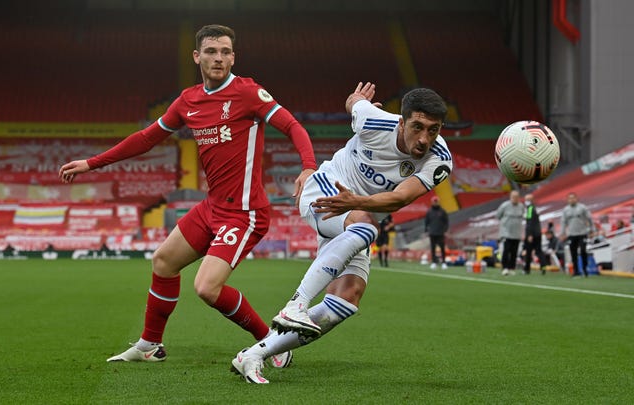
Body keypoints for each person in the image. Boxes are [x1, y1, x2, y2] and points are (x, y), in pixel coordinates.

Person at [58, 24, 317, 365]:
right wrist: (92, 163)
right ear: (197, 57)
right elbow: (146, 138)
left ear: (233, 57)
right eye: (211, 51)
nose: (218, 58)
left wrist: (308, 165)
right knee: (164, 262)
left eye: (225, 52)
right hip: (211, 208)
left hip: (245, 212)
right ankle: (150, 344)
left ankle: (269, 342)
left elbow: (292, 126)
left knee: (206, 288)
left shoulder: (248, 92)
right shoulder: (188, 100)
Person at [230, 82, 453, 383]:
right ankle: (296, 305)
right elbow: (354, 103)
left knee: (346, 301)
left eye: (434, 130)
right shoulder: (374, 121)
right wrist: (357, 99)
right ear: (401, 122)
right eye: (417, 127)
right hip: (324, 191)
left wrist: (356, 202)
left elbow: (401, 198)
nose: (424, 138)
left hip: (355, 216)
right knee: (365, 223)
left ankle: (255, 353)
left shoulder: (439, 158)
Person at [561, 192, 595, 277]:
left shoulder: (582, 208)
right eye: (570, 198)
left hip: (582, 233)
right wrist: (562, 233)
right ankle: (576, 271)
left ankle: (585, 268)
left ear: (577, 198)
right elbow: (563, 222)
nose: (572, 200)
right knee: (573, 253)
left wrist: (591, 230)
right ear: (568, 200)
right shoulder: (565, 210)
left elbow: (589, 218)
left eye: (573, 198)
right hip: (571, 234)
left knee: (583, 250)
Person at [496, 190, 524, 275]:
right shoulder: (505, 206)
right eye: (513, 197)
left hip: (517, 234)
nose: (515, 199)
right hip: (506, 233)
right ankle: (505, 267)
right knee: (506, 250)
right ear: (510, 197)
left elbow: (522, 216)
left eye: (517, 197)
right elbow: (498, 215)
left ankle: (512, 268)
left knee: (514, 252)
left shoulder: (521, 206)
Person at [522, 194, 547, 275]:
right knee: (539, 250)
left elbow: (530, 222)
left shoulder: (530, 209)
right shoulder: (535, 209)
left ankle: (527, 269)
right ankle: (543, 266)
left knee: (528, 252)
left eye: (528, 200)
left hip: (532, 234)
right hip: (538, 233)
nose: (526, 201)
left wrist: (529, 234)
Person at [424, 195, 449, 269]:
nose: (435, 203)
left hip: (440, 233)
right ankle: (434, 262)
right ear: (432, 202)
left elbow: (446, 222)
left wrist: (445, 230)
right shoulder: (429, 211)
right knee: (433, 248)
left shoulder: (442, 211)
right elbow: (426, 222)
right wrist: (426, 230)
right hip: (432, 233)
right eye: (434, 201)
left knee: (442, 248)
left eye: (436, 201)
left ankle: (444, 262)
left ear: (438, 202)